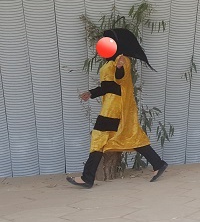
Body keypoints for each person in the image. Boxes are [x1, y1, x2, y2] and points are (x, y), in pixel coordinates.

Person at [67, 28, 168, 188]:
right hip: (112, 105)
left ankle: (87, 178)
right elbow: (108, 87)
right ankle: (158, 163)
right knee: (130, 135)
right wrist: (91, 93)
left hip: (114, 107)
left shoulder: (122, 59)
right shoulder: (110, 62)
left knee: (99, 137)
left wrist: (120, 68)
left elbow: (120, 80)